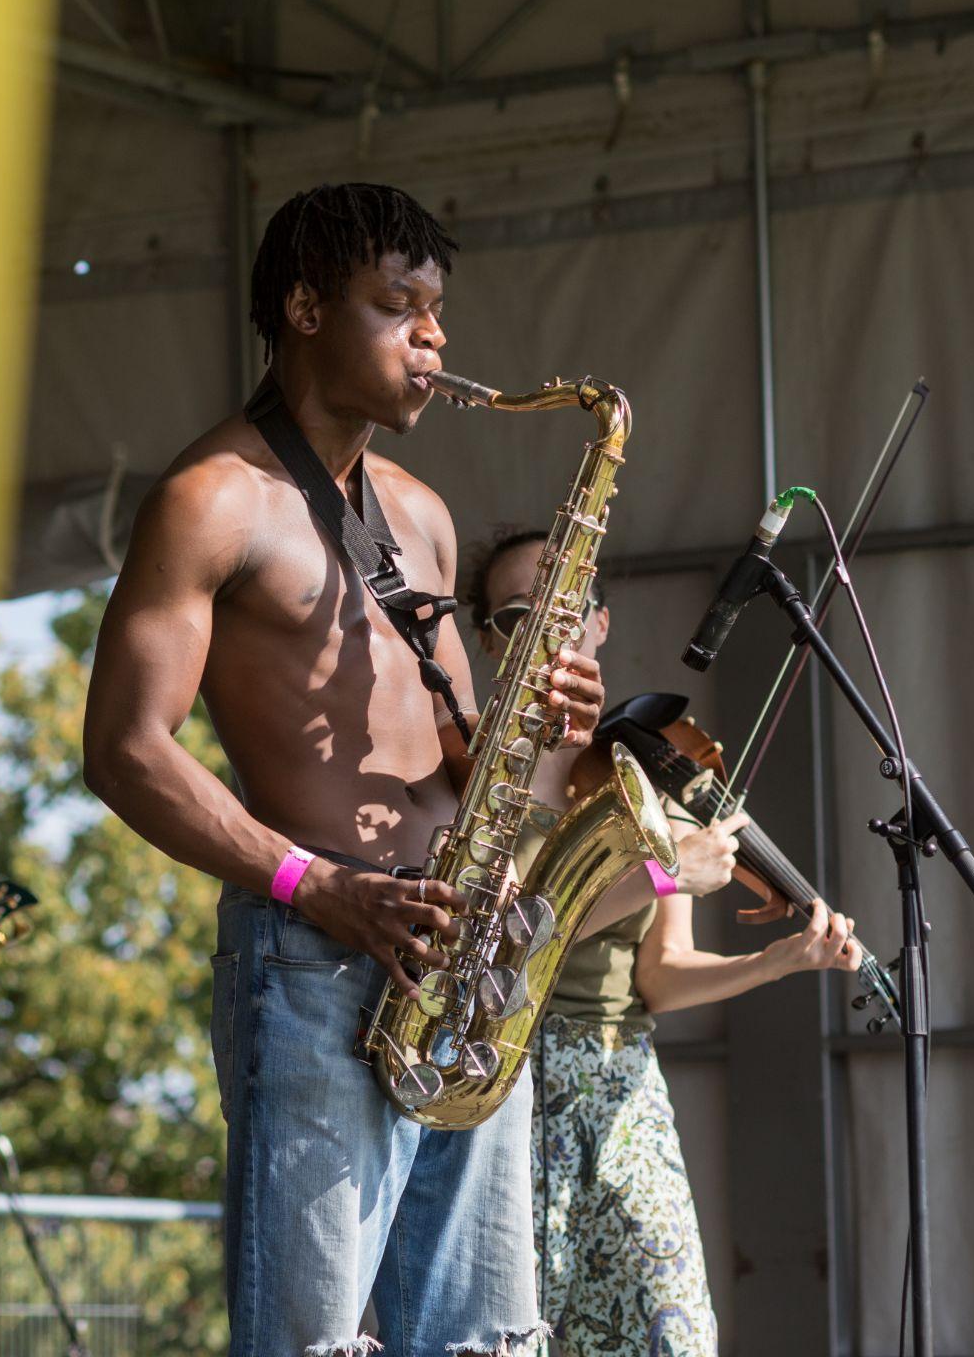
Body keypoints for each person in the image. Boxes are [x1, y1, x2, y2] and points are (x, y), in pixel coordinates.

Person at [83, 182, 605, 1357]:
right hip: (316, 957)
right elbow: (122, 748)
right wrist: (316, 888)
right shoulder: (210, 500)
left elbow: (476, 767)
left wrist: (549, 720)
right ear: (306, 308)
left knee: (489, 1340)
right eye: (398, 304)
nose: (434, 336)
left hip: (463, 957)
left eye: (438, 311)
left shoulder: (421, 512)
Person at [467, 530, 864, 1357]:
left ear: (600, 624)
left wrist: (780, 958)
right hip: (505, 1080)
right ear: (485, 638)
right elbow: (504, 944)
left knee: (670, 1331)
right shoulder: (469, 774)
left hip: (622, 1082)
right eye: (517, 613)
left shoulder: (640, 775)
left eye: (568, 605)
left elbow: (660, 978)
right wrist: (655, 875)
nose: (548, 625)